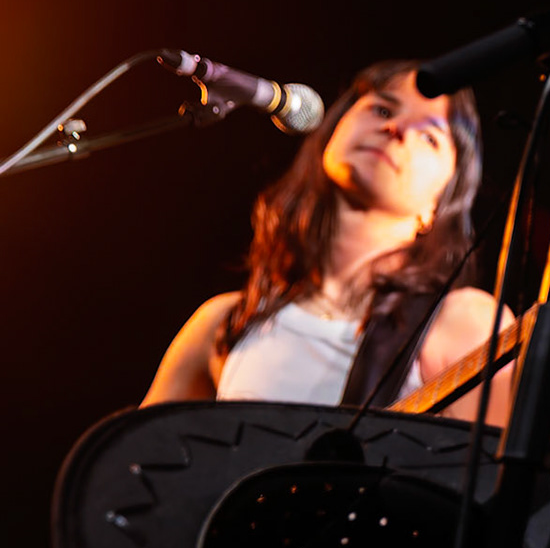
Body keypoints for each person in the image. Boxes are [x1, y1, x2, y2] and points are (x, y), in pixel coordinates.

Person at [144, 60, 513, 423]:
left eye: (429, 136)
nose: (396, 128)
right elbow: (138, 456)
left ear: (440, 203)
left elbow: (491, 461)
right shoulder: (223, 322)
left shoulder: (464, 321)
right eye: (383, 109)